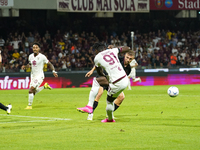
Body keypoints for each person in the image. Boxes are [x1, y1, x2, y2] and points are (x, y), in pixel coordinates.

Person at [77, 43, 131, 123]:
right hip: (124, 80)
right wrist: (117, 49)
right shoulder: (113, 51)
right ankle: (110, 119)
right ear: (105, 48)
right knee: (109, 101)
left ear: (96, 51)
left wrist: (105, 77)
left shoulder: (97, 57)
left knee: (96, 81)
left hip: (114, 81)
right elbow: (127, 48)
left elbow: (100, 73)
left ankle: (89, 106)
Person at [21, 42, 58, 109]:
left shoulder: (42, 57)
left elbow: (50, 64)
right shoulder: (30, 56)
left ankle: (29, 106)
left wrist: (53, 71)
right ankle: (44, 86)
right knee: (33, 92)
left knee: (31, 90)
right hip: (32, 76)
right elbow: (30, 64)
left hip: (39, 76)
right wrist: (25, 67)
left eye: (36, 47)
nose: (35, 49)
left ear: (39, 49)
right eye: (34, 48)